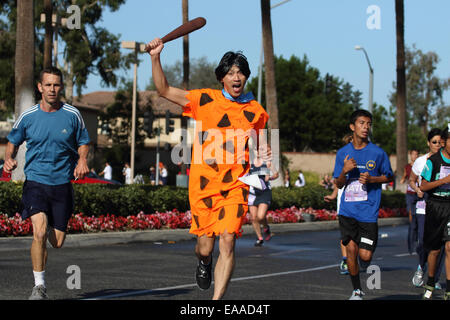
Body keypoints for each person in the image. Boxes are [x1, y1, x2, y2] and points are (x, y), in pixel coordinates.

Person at [146, 38, 269, 300]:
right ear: (221, 78)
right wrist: (155, 57)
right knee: (205, 247)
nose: (236, 77)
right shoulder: (204, 99)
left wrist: (266, 156)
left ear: (246, 77)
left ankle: (216, 301)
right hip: (203, 186)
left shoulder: (256, 110)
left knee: (228, 239)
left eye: (241, 72)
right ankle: (203, 262)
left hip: (236, 184)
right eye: (230, 73)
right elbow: (164, 89)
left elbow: (262, 143)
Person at [3, 66, 90, 300]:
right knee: (38, 233)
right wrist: (9, 158)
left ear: (61, 88)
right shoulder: (29, 116)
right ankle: (39, 287)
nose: (52, 89)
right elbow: (13, 141)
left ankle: (49, 231)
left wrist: (82, 160)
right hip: (36, 182)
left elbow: (83, 141)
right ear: (40, 87)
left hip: (62, 184)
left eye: (56, 85)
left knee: (57, 242)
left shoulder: (72, 114)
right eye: (48, 85)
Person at [332, 109, 394, 300]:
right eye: (361, 123)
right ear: (352, 127)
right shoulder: (343, 153)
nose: (366, 127)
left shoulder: (377, 153)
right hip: (348, 210)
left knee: (365, 256)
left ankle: (364, 262)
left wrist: (373, 179)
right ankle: (357, 290)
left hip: (368, 212)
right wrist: (344, 170)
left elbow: (389, 176)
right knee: (350, 249)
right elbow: (339, 183)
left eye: (368, 124)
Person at [408, 128, 445, 289]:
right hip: (424, 208)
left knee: (442, 246)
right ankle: (421, 267)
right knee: (424, 242)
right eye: (434, 142)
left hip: (443, 208)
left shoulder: (447, 160)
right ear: (428, 143)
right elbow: (412, 180)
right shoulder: (421, 161)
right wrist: (417, 190)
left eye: (440, 142)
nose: (437, 145)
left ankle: (434, 278)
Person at [419, 124, 450, 300]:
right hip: (435, 204)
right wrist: (444, 180)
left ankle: (448, 288)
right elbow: (423, 186)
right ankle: (430, 281)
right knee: (435, 250)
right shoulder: (433, 161)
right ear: (445, 142)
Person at [324, 133, 353, 276]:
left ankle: (353, 257)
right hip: (343, 200)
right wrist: (334, 195)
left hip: (360, 201)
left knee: (357, 233)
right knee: (345, 232)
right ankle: (345, 259)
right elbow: (338, 180)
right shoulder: (342, 158)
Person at [248, 156, 279, 246]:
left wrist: (269, 178)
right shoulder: (249, 162)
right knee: (253, 218)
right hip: (252, 193)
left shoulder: (267, 162)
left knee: (260, 216)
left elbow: (276, 174)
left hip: (264, 192)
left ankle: (266, 228)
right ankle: (259, 238)